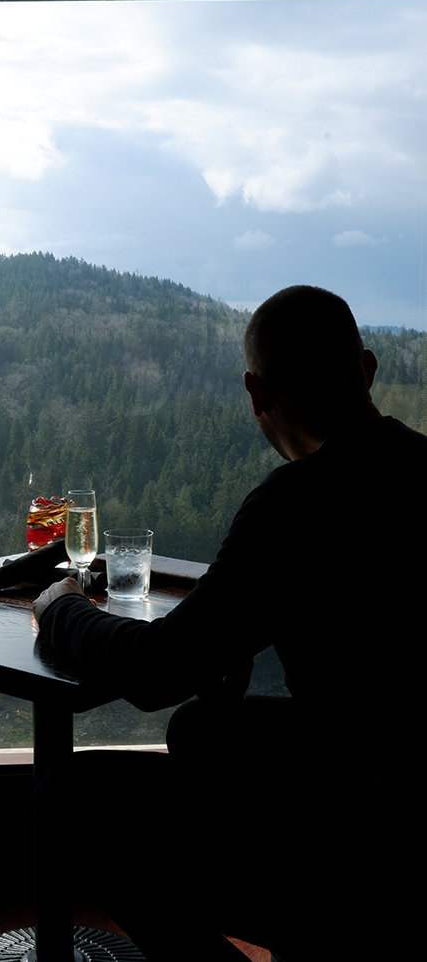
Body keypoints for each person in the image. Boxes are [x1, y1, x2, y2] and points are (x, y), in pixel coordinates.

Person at [32, 286, 425, 961]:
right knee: (201, 725)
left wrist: (62, 607)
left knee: (68, 796)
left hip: (368, 847)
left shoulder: (298, 502)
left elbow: (154, 671)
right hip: (391, 774)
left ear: (255, 393)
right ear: (366, 369)